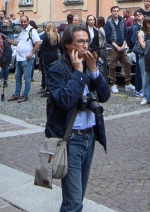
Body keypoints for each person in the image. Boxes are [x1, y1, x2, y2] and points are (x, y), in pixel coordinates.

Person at [44, 23, 110, 212]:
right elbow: (64, 100)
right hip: (70, 139)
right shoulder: (58, 68)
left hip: (89, 137)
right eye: (80, 41)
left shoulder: (90, 64)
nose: (85, 46)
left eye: (87, 41)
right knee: (73, 202)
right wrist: (79, 73)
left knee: (76, 198)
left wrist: (94, 71)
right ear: (67, 44)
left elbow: (104, 96)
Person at [103, 6, 134, 94]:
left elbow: (125, 34)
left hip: (122, 46)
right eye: (114, 11)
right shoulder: (108, 23)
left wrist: (123, 45)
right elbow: (108, 37)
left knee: (127, 64)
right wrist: (117, 47)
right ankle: (113, 84)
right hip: (112, 47)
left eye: (117, 11)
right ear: (111, 12)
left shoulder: (122, 21)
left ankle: (128, 83)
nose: (116, 12)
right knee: (112, 66)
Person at [9, 15, 38, 102]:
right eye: (22, 22)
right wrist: (10, 41)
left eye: (25, 21)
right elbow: (18, 43)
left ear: (28, 22)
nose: (23, 23)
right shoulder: (22, 31)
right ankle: (17, 94)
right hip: (19, 58)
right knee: (17, 76)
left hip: (27, 59)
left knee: (27, 77)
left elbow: (38, 43)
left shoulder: (32, 31)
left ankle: (25, 95)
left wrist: (32, 53)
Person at [37, 24, 61, 96]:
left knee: (47, 72)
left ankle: (48, 89)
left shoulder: (47, 36)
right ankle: (54, 86)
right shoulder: (57, 36)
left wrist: (41, 44)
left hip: (47, 55)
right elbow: (59, 46)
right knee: (54, 70)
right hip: (54, 54)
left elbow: (42, 47)